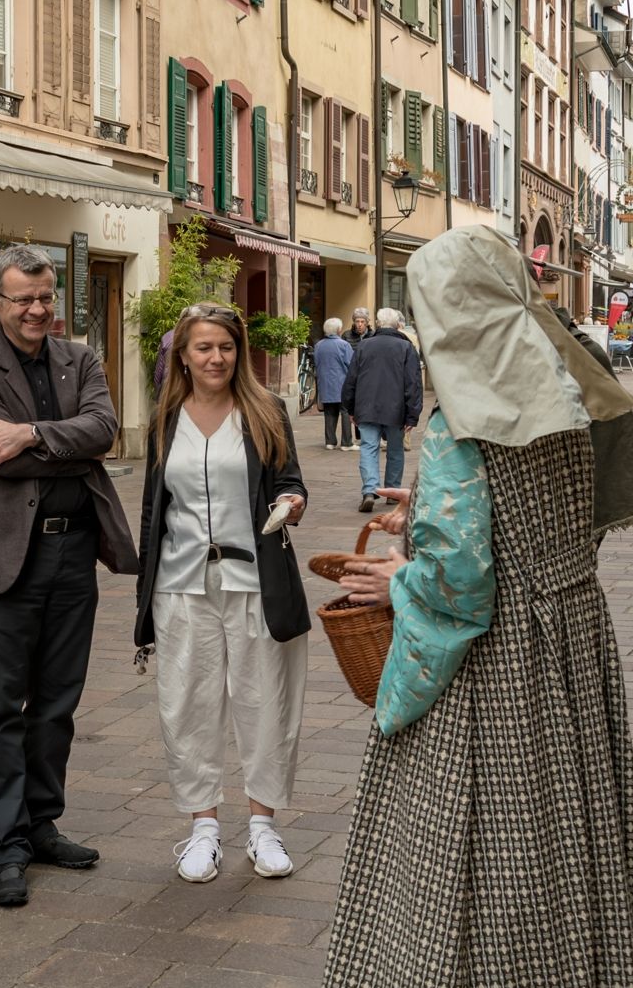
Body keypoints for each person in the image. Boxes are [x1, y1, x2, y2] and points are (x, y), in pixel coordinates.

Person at [297, 224, 633, 988]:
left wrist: (399, 581)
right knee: (563, 863)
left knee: (450, 869)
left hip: (494, 673)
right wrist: (444, 523)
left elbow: (459, 583)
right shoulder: (575, 388)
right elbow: (570, 526)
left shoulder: (464, 416)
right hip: (572, 647)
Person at [0, 245, 139, 908]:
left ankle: (41, 822)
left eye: (46, 297)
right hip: (2, 561)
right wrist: (63, 445)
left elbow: (105, 429)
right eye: (24, 298)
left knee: (57, 701)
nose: (37, 310)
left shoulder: (80, 358)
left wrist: (30, 433)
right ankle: (6, 846)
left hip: (72, 553)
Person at [133, 303, 311, 884]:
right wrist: (143, 599)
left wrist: (291, 504)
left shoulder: (266, 412)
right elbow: (153, 512)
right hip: (182, 585)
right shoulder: (164, 419)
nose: (217, 358)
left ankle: (263, 827)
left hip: (256, 581)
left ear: (240, 353)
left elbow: (290, 482)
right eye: (204, 347)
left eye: (226, 347)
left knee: (266, 703)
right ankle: (202, 828)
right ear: (182, 354)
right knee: (186, 706)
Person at [342, 306, 422, 513]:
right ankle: (392, 492)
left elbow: (351, 379)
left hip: (366, 406)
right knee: (395, 450)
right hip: (396, 410)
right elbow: (413, 383)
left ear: (377, 323)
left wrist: (350, 407)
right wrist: (412, 415)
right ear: (397, 325)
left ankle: (370, 490)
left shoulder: (364, 346)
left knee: (369, 448)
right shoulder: (406, 347)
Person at [313, 320, 354, 451]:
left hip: (325, 384)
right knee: (346, 412)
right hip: (342, 383)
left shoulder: (319, 345)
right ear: (339, 330)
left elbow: (316, 363)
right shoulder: (344, 345)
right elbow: (351, 365)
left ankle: (330, 442)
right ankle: (346, 443)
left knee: (329, 412)